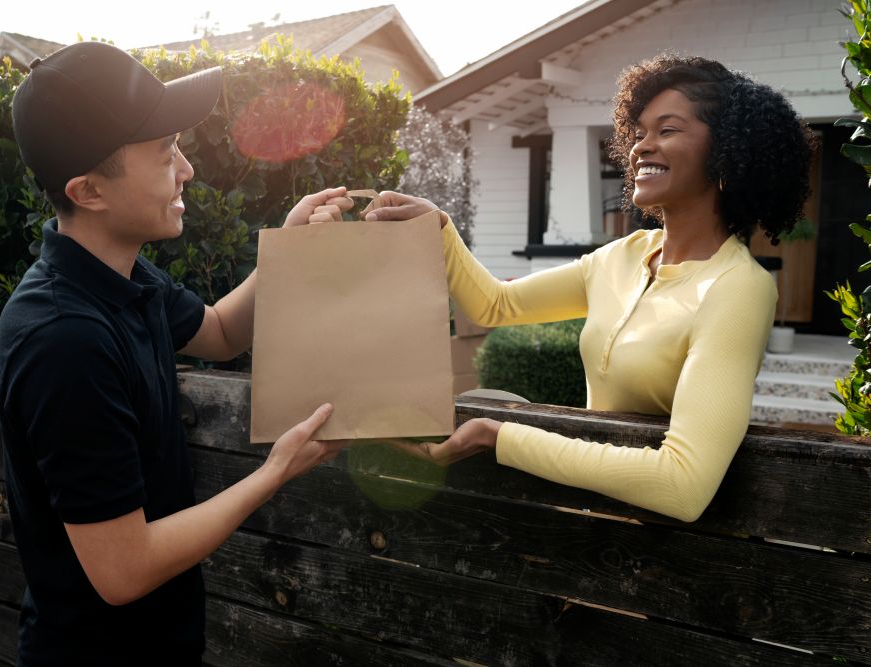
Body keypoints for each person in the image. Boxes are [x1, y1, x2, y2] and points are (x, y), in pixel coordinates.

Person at [0, 41, 350, 666]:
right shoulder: (63, 339)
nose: (186, 169)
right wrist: (274, 473)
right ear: (89, 191)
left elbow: (218, 333)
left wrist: (285, 251)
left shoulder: (124, 277)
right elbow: (123, 571)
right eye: (165, 154)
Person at [345, 54, 815, 523]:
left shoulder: (737, 288)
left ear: (727, 151)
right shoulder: (622, 257)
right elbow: (495, 305)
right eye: (641, 132)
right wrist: (440, 228)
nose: (641, 147)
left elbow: (682, 484)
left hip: (663, 560)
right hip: (588, 529)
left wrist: (498, 436)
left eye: (667, 130)